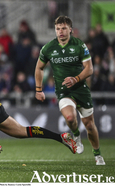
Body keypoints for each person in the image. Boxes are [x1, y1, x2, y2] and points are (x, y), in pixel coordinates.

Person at [34, 16, 105, 165]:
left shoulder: (79, 45)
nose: (60, 31)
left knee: (90, 125)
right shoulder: (48, 48)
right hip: (63, 91)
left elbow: (89, 69)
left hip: (80, 89)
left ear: (70, 30)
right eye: (58, 29)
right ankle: (76, 135)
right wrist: (39, 89)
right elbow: (39, 67)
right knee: (70, 118)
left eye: (64, 28)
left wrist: (76, 79)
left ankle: (97, 154)